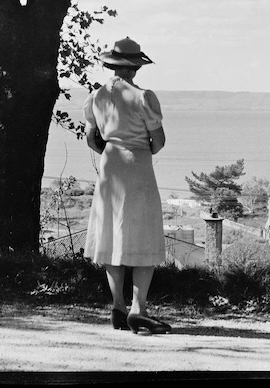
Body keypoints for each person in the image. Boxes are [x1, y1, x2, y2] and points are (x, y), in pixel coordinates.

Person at [83, 37, 171, 334]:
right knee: (142, 233)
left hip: (111, 167)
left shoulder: (96, 98)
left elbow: (92, 139)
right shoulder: (143, 97)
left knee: (112, 233)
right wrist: (139, 145)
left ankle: (118, 305)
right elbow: (157, 142)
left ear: (112, 64)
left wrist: (113, 147)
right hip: (138, 166)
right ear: (135, 66)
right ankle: (139, 308)